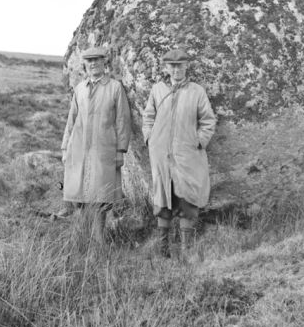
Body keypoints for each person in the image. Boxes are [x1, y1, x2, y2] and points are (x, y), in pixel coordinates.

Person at [142, 48, 216, 258]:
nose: (176, 70)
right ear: (167, 68)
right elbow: (148, 116)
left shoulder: (196, 91)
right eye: (172, 66)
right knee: (163, 199)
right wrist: (150, 138)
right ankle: (162, 248)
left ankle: (186, 251)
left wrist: (199, 141)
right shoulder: (157, 90)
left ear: (186, 66)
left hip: (187, 155)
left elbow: (208, 120)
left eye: (180, 65)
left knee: (187, 200)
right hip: (161, 156)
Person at [59, 46, 131, 244]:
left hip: (103, 149)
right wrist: (65, 147)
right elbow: (71, 120)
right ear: (85, 64)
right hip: (78, 149)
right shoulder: (80, 89)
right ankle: (81, 239)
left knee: (100, 197)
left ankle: (99, 242)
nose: (93, 64)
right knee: (79, 196)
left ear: (104, 63)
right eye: (89, 61)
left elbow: (123, 121)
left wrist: (120, 150)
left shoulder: (115, 88)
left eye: (97, 60)